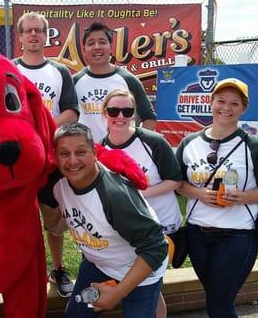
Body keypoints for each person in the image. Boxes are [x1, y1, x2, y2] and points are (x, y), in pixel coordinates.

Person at [175, 78, 258, 318]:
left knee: (219, 304)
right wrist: (198, 193)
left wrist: (243, 197)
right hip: (197, 234)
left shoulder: (255, 146)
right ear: (210, 102)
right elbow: (178, 184)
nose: (227, 107)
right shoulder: (189, 143)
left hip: (236, 235)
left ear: (243, 108)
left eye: (235, 103)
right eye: (221, 101)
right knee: (216, 298)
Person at [39, 122, 168, 318]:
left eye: (80, 152)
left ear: (94, 152)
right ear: (55, 156)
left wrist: (117, 293)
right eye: (64, 153)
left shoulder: (114, 196)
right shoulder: (56, 183)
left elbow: (156, 247)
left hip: (139, 269)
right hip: (98, 264)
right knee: (77, 315)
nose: (72, 161)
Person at [100, 89, 182, 318]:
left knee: (151, 287)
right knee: (149, 289)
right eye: (113, 110)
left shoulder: (152, 141)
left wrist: (139, 194)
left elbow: (175, 180)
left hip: (161, 226)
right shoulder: (99, 148)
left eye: (127, 111)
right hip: (128, 230)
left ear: (134, 114)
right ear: (103, 113)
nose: (120, 116)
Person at [14, 11, 79, 297]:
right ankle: (22, 269)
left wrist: (44, 129)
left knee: (54, 218)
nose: (33, 35)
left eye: (38, 31)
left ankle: (57, 268)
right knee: (18, 218)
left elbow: (71, 110)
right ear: (20, 37)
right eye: (28, 31)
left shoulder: (59, 71)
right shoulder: (9, 69)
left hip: (49, 157)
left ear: (46, 35)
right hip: (17, 159)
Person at [74, 22, 157, 141]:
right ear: (84, 50)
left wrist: (136, 143)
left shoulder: (128, 79)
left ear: (111, 47)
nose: (97, 47)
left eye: (102, 42)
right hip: (85, 153)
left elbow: (149, 117)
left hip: (119, 153)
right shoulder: (75, 81)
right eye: (91, 43)